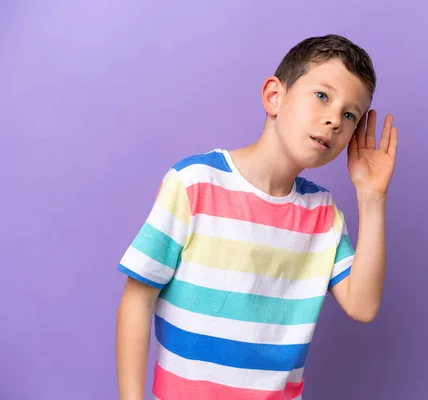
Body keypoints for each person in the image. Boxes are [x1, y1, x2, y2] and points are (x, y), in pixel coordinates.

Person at [115, 33, 398, 400]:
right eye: (323, 96)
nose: (334, 120)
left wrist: (372, 196)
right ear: (274, 96)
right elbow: (138, 299)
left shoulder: (323, 214)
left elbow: (362, 305)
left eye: (349, 114)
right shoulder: (195, 182)